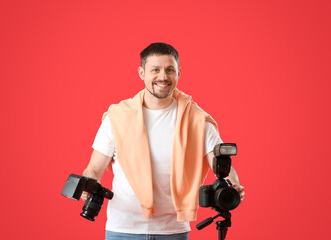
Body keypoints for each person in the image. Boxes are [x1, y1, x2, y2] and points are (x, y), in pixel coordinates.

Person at [81, 42, 245, 240]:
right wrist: (86, 185)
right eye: (155, 70)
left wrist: (233, 185)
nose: (163, 77)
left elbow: (220, 164)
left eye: (169, 70)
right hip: (123, 229)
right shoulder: (117, 118)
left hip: (173, 231)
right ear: (142, 73)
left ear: (179, 73)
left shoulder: (197, 119)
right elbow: (94, 169)